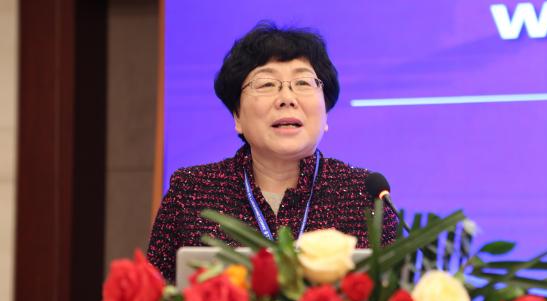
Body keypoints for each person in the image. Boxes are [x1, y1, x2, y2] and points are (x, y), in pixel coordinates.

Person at [147, 22, 398, 283]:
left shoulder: (366, 195)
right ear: (237, 116)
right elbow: (155, 300)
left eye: (303, 82)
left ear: (325, 113)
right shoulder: (191, 192)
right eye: (266, 84)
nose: (286, 98)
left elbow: (393, 300)